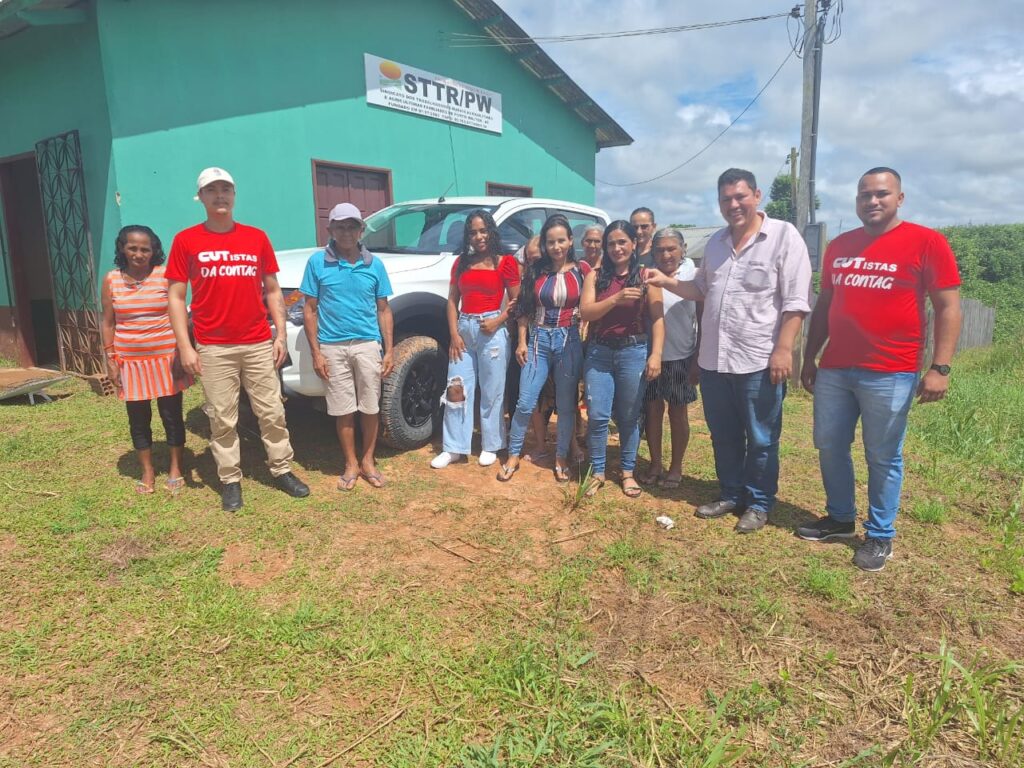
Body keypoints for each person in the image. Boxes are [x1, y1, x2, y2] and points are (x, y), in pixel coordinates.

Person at [798, 167, 962, 571]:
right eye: (864, 195)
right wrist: (810, 355)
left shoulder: (927, 242)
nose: (872, 201)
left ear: (899, 199)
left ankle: (879, 535)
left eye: (881, 194)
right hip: (836, 367)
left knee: (883, 456)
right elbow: (825, 304)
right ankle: (839, 518)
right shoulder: (841, 246)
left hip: (892, 370)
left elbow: (948, 307)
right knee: (829, 444)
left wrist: (940, 367)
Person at [645, 168, 811, 532]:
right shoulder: (718, 243)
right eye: (726, 199)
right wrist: (666, 281)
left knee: (762, 437)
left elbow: (796, 301)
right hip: (716, 359)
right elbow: (700, 289)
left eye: (740, 197)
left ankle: (759, 502)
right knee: (724, 433)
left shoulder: (784, 237)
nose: (733, 205)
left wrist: (784, 349)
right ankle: (731, 493)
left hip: (758, 358)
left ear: (757, 195)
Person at [167, 167, 309, 511]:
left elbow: (273, 290)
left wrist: (279, 334)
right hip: (213, 346)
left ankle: (281, 468)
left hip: (258, 341)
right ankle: (230, 479)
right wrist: (186, 346)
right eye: (211, 190)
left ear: (234, 195)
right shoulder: (186, 240)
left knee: (272, 411)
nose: (220, 195)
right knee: (222, 417)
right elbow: (174, 296)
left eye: (226, 189)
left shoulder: (256, 238)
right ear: (200, 197)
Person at [300, 203, 395, 491]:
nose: (346, 232)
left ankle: (368, 460)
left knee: (369, 406)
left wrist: (389, 349)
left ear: (361, 230)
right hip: (332, 347)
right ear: (330, 230)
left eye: (352, 226)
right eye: (340, 226)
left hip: (367, 344)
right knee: (343, 408)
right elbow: (310, 310)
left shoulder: (374, 265)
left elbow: (383, 310)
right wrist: (316, 353)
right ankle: (351, 462)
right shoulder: (317, 263)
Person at [101, 225, 193, 495]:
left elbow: (182, 316)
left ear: (154, 251)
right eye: (133, 248)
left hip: (166, 357)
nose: (139, 254)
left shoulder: (166, 276)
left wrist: (181, 350)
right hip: (130, 361)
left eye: (145, 249)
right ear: (122, 248)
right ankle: (148, 471)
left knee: (171, 415)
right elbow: (108, 321)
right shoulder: (111, 280)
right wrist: (110, 358)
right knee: (138, 418)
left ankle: (176, 468)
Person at [499, 214, 589, 483]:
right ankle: (513, 454)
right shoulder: (536, 271)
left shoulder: (582, 271)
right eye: (551, 242)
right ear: (546, 244)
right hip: (538, 340)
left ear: (570, 240)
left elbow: (591, 305)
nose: (556, 247)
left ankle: (560, 456)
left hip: (569, 341)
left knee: (565, 404)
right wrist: (522, 341)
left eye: (561, 240)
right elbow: (525, 309)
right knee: (525, 401)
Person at [580, 220, 664, 498]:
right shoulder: (596, 276)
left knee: (629, 416)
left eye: (622, 242)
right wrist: (615, 299)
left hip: (633, 351)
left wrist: (656, 355)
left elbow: (658, 320)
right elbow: (588, 312)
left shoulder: (646, 276)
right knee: (598, 415)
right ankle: (598, 471)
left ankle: (627, 472)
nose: (616, 248)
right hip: (599, 352)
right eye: (611, 243)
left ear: (634, 244)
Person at [431, 210, 520, 469]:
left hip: (492, 328)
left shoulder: (505, 262)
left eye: (483, 231)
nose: (479, 236)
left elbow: (517, 300)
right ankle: (454, 447)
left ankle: (491, 445)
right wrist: (454, 333)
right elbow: (451, 300)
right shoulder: (461, 263)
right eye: (473, 232)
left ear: (491, 231)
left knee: (492, 391)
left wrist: (499, 319)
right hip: (465, 328)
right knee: (456, 387)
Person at [637, 228, 701, 489]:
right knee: (652, 411)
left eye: (671, 248)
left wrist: (698, 356)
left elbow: (704, 316)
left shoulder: (694, 275)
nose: (666, 254)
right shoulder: (647, 275)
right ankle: (655, 464)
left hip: (681, 355)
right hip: (651, 355)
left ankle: (676, 467)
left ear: (683, 248)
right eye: (660, 249)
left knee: (677, 412)